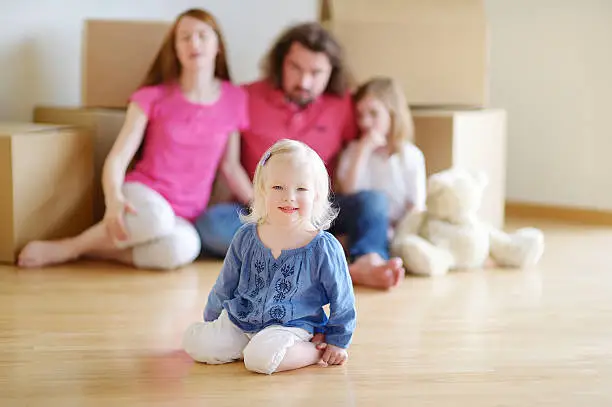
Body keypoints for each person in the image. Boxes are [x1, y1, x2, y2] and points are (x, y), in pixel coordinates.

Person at [17, 8, 251, 270]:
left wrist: (262, 207)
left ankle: (104, 253)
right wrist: (114, 199)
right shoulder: (151, 96)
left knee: (185, 248)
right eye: (184, 37)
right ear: (175, 48)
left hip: (185, 214)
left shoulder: (235, 99)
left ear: (217, 45)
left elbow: (230, 167)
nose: (193, 43)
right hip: (144, 195)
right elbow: (118, 158)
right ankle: (70, 248)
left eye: (202, 35)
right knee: (156, 219)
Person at [196, 22, 405, 290]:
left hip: (317, 210)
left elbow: (380, 136)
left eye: (316, 73)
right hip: (260, 208)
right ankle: (320, 256)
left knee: (373, 201)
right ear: (281, 63)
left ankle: (366, 262)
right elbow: (230, 163)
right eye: (295, 68)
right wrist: (261, 206)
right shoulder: (245, 96)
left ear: (331, 73)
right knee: (210, 225)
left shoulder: (343, 106)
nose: (305, 81)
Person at [182, 140, 356, 375]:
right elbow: (225, 283)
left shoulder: (323, 247)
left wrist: (337, 341)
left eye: (301, 189)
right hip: (241, 320)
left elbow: (342, 299)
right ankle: (248, 345)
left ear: (317, 195)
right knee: (196, 342)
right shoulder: (246, 236)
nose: (289, 197)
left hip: (291, 327)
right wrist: (213, 320)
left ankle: (314, 350)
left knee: (260, 360)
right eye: (278, 188)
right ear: (262, 190)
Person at [336, 76, 427, 235]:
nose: (365, 122)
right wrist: (362, 150)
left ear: (392, 115)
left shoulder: (410, 156)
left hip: (398, 229)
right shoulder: (353, 151)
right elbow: (348, 194)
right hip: (360, 225)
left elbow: (416, 206)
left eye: (373, 114)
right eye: (359, 115)